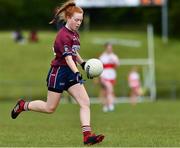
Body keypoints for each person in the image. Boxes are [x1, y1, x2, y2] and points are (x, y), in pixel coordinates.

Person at [11, 0, 104, 145]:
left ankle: (87, 136)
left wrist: (83, 63)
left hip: (70, 71)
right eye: (76, 20)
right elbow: (67, 58)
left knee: (85, 102)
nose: (79, 23)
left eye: (81, 20)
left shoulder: (75, 34)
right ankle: (23, 105)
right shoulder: (63, 36)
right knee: (50, 108)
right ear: (68, 18)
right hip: (59, 73)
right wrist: (77, 72)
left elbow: (74, 53)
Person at [99, 42, 120, 112]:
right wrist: (101, 77)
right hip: (104, 76)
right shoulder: (102, 57)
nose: (109, 49)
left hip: (112, 76)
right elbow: (99, 68)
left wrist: (115, 62)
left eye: (111, 48)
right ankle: (110, 105)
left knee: (107, 91)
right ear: (105, 48)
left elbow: (117, 66)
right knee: (108, 89)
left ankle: (106, 106)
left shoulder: (114, 56)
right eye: (108, 48)